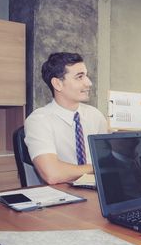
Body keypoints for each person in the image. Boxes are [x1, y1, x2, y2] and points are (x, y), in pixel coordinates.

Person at [24, 52, 107, 184]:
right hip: (61, 196)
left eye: (86, 76)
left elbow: (108, 159)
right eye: (79, 77)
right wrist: (97, 168)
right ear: (57, 84)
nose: (89, 83)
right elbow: (52, 174)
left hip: (96, 192)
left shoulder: (95, 116)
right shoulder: (38, 120)